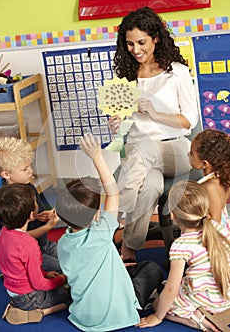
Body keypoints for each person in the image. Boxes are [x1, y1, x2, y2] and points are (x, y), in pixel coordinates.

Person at [109, 6, 198, 261]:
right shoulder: (124, 76)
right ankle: (130, 248)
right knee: (149, 187)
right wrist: (117, 125)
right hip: (140, 156)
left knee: (144, 151)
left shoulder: (177, 72)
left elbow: (189, 120)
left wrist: (156, 113)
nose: (135, 50)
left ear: (156, 38)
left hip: (176, 149)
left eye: (141, 42)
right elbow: (126, 125)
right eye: (129, 44)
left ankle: (111, 216)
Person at [56, 133, 163, 332]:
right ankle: (145, 299)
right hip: (120, 315)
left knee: (125, 269)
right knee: (151, 268)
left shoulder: (62, 243)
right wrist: (96, 156)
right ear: (97, 213)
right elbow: (113, 191)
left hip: (84, 318)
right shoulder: (102, 231)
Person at [138, 180, 230, 331]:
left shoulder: (181, 245)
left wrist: (157, 316)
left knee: (158, 304)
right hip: (226, 296)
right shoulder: (217, 226)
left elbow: (171, 289)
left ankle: (198, 320)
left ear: (172, 215)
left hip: (208, 301)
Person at [0, 183, 71, 325]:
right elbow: (39, 284)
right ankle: (36, 313)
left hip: (14, 292)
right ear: (31, 215)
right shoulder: (28, 244)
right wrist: (61, 280)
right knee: (73, 293)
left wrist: (45, 273)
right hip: (29, 299)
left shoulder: (4, 233)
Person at [0, 136, 61, 273]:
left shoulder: (27, 186)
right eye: (25, 169)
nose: (31, 172)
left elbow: (34, 213)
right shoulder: (7, 202)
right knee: (63, 267)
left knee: (72, 256)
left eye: (30, 166)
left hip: (43, 244)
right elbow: (19, 237)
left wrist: (44, 215)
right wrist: (49, 226)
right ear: (6, 174)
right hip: (29, 253)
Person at [189, 128, 230, 225]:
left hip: (214, 235)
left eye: (191, 154)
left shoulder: (210, 187)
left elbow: (215, 222)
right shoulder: (222, 177)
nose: (188, 155)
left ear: (204, 164)